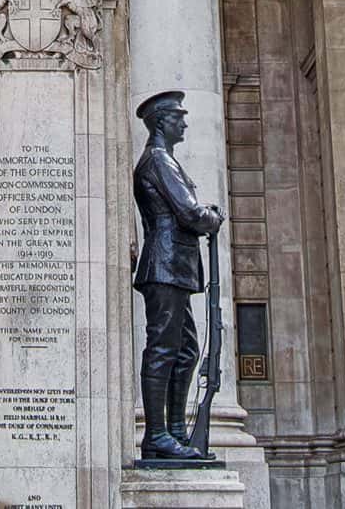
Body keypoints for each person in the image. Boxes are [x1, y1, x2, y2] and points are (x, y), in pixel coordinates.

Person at [132, 89, 223, 461]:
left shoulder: (165, 160)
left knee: (185, 350)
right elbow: (189, 213)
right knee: (164, 348)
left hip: (176, 267)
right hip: (165, 265)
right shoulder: (158, 161)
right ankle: (156, 434)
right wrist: (212, 217)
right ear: (160, 122)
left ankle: (173, 431)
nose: (184, 122)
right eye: (177, 117)